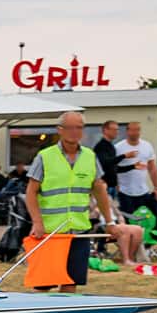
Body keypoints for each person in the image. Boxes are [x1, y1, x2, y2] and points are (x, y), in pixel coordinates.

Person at [26, 111, 119, 290]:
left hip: (79, 231)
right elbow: (31, 192)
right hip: (50, 232)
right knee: (44, 285)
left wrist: (109, 221)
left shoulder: (90, 156)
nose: (74, 132)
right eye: (69, 127)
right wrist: (37, 222)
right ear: (59, 130)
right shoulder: (45, 156)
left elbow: (99, 191)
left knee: (70, 283)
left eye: (79, 127)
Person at [115, 120, 157, 233]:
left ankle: (146, 243)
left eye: (138, 130)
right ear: (127, 131)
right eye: (133, 130)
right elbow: (113, 168)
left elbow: (152, 168)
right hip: (125, 191)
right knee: (128, 222)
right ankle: (128, 243)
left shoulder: (147, 146)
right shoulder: (118, 147)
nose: (135, 133)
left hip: (142, 191)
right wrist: (117, 187)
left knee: (146, 219)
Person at [91, 119, 121, 191]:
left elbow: (113, 168)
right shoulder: (101, 146)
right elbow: (105, 163)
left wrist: (133, 166)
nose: (116, 132)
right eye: (114, 130)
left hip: (112, 186)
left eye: (117, 130)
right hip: (104, 186)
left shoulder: (111, 146)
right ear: (105, 130)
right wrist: (124, 156)